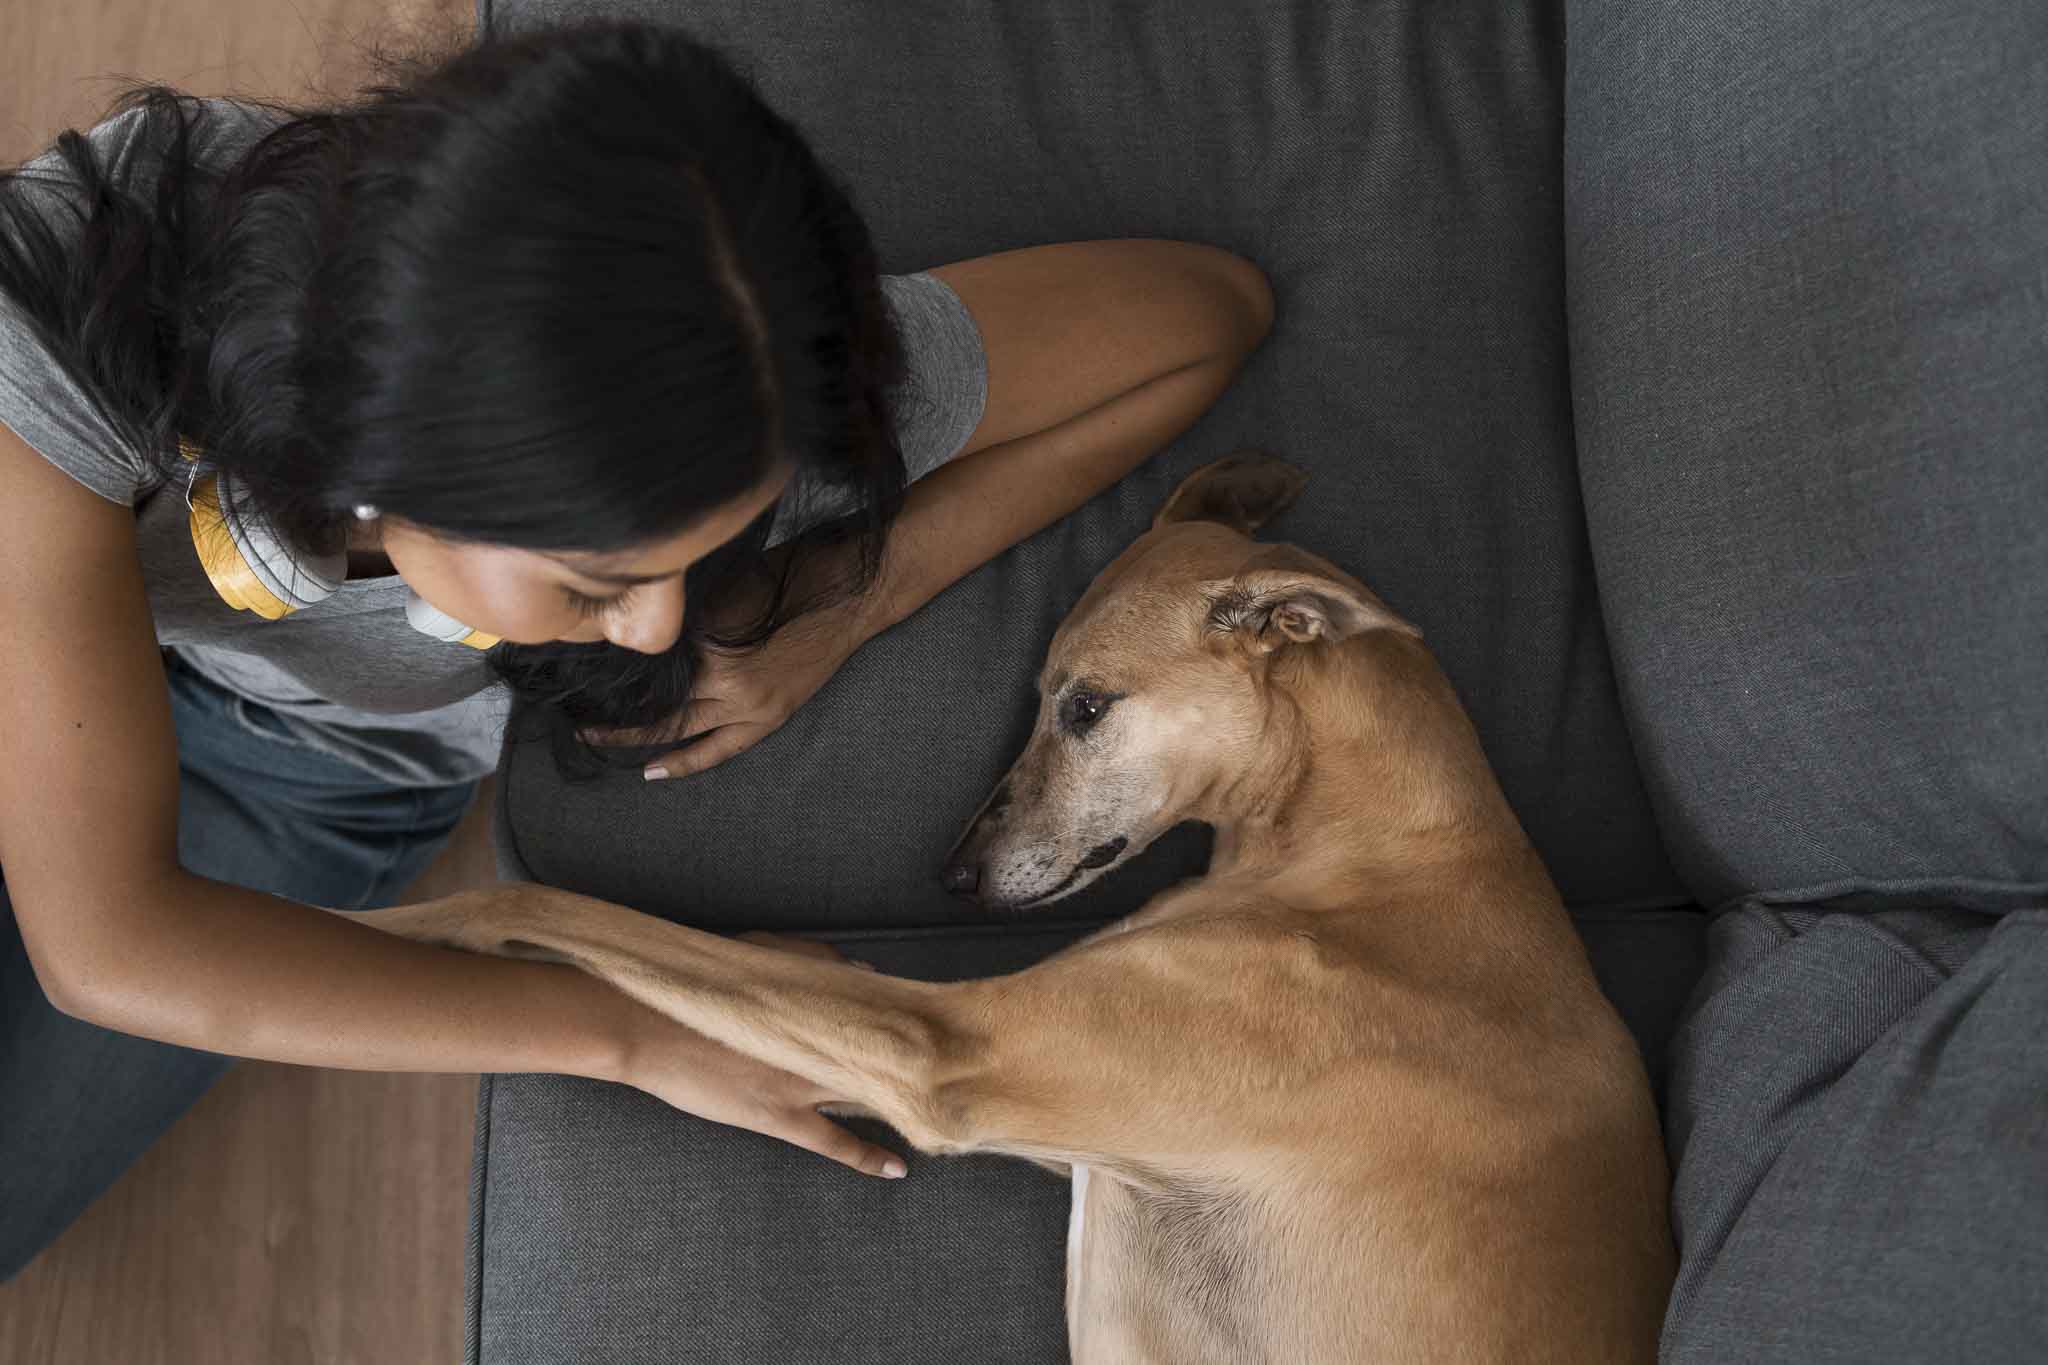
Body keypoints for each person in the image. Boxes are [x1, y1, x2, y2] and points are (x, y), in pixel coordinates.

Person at [0, 20, 1273, 1280]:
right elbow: (108, 947)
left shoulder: (742, 373)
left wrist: (843, 600)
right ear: (375, 460)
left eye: (694, 553)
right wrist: (633, 1028)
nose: (667, 627)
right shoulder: (58, 331)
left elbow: (1201, 314)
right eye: (596, 580)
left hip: (305, 758)